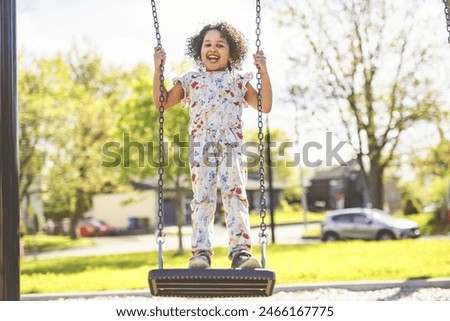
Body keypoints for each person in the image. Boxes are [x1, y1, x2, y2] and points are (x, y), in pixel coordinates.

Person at [153, 21, 272, 269]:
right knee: (202, 198)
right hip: (201, 146)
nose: (213, 49)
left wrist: (263, 71)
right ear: (200, 50)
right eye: (207, 44)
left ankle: (240, 252)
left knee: (235, 195)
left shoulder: (238, 79)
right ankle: (200, 253)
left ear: (231, 53)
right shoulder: (191, 79)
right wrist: (157, 69)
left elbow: (265, 106)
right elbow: (162, 103)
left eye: (220, 44)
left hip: (231, 146)